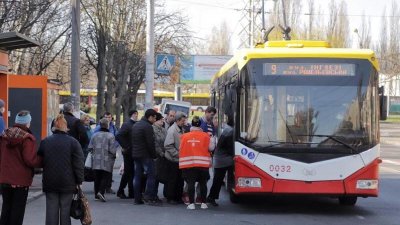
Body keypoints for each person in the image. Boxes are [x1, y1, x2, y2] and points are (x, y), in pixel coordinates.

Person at [37, 114, 84, 225]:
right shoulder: (73, 142)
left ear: (53, 126)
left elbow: (39, 160)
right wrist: (79, 181)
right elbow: (78, 163)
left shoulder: (46, 141)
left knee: (51, 211)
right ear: (65, 127)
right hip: (68, 182)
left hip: (50, 181)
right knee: (65, 211)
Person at [0, 110, 42, 225]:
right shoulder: (27, 138)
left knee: (6, 209)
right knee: (17, 212)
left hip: (4, 179)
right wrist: (41, 160)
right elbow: (30, 160)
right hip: (20, 181)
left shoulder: (4, 135)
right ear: (27, 123)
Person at [179, 116, 214, 210]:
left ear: (192, 125)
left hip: (189, 164)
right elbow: (211, 148)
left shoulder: (184, 136)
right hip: (203, 165)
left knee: (190, 184)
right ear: (200, 125)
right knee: (203, 184)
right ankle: (203, 203)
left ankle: (191, 204)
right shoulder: (206, 136)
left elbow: (180, 148)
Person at [131, 109, 159, 205]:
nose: (155, 120)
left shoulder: (136, 125)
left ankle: (137, 198)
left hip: (136, 154)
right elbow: (150, 143)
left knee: (137, 176)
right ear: (150, 117)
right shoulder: (147, 127)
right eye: (154, 118)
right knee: (151, 175)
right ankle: (149, 197)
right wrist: (154, 155)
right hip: (146, 155)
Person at [88, 118, 118, 202]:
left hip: (96, 159)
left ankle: (96, 195)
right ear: (107, 125)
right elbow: (112, 149)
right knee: (105, 176)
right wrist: (114, 155)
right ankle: (101, 192)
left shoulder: (94, 135)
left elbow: (90, 147)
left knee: (97, 177)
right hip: (107, 159)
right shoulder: (111, 136)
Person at [207, 116, 234, 207]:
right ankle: (211, 197)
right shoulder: (230, 131)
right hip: (224, 160)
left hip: (220, 159)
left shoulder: (227, 129)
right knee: (218, 180)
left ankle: (211, 197)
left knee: (217, 180)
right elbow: (230, 147)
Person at [164, 112, 187, 204]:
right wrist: (178, 154)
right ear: (177, 121)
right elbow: (168, 145)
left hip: (179, 160)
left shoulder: (181, 129)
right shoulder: (172, 130)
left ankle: (178, 197)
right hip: (173, 159)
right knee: (172, 180)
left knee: (180, 180)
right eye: (182, 120)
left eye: (184, 120)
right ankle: (171, 198)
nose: (184, 122)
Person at [115, 109, 138, 199]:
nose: (137, 115)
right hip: (128, 152)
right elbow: (118, 136)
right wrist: (126, 146)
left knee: (131, 172)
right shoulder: (127, 124)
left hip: (132, 151)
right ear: (132, 114)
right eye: (135, 114)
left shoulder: (133, 124)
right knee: (128, 172)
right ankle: (121, 191)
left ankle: (130, 192)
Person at [153, 112, 167, 198]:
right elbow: (155, 143)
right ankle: (153, 194)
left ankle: (156, 194)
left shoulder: (164, 129)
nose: (162, 122)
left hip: (163, 156)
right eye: (160, 120)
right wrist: (161, 153)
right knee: (155, 176)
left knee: (160, 175)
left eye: (162, 120)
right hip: (156, 156)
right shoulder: (152, 129)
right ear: (155, 121)